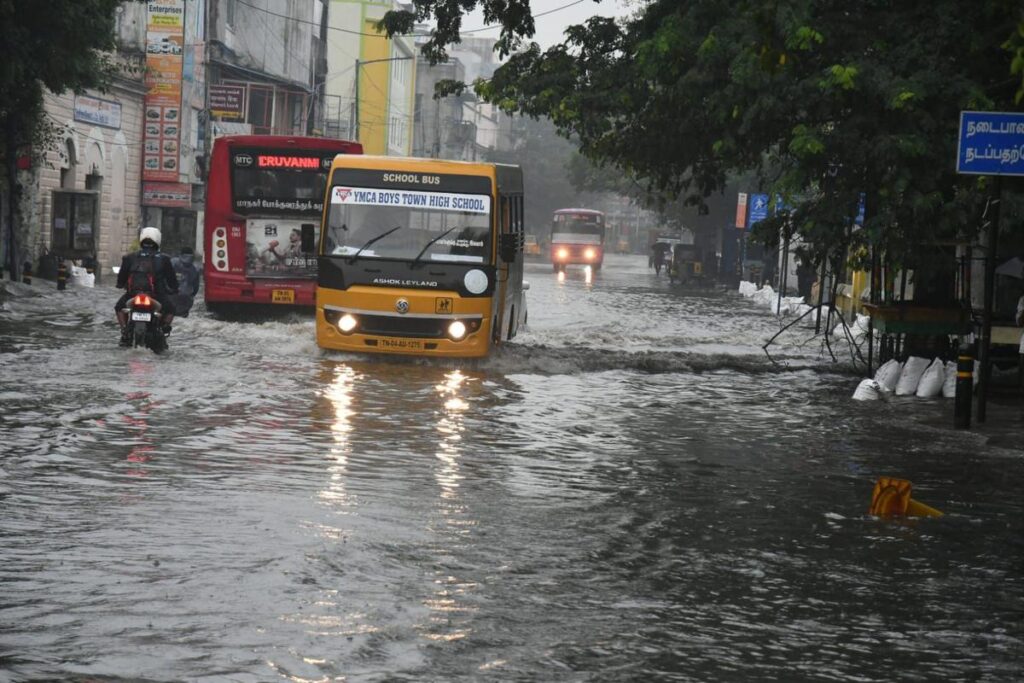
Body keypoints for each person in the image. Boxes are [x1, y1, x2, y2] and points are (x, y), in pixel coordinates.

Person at [115, 226, 178, 346]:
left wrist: (121, 285)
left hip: (132, 295)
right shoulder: (164, 259)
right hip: (156, 296)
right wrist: (174, 289)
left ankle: (124, 330)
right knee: (171, 309)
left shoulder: (129, 257)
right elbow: (172, 281)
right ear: (158, 240)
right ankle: (164, 328)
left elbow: (121, 280)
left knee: (119, 307)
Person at [170, 246, 201, 317]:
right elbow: (196, 288)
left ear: (180, 254)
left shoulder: (173, 262)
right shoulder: (195, 269)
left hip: (172, 297)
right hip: (186, 300)